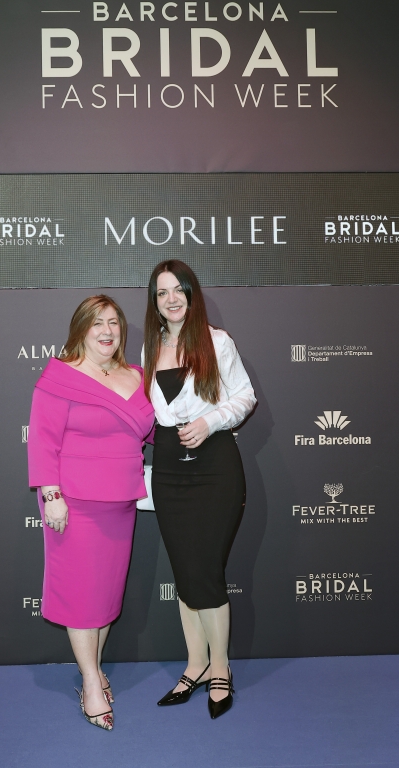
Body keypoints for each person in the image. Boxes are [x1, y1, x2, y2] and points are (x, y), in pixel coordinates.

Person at [28, 295, 154, 731]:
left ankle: (95, 669)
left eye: (114, 323)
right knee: (82, 595)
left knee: (104, 594)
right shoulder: (60, 377)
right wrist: (51, 495)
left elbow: (156, 429)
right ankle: (90, 682)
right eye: (97, 322)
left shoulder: (137, 376)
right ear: (81, 328)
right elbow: (42, 440)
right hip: (74, 503)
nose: (107, 331)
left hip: (120, 502)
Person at [143, 260, 256, 720]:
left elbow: (245, 396)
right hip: (169, 470)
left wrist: (210, 421)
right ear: (154, 302)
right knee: (185, 571)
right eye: (162, 292)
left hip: (215, 467)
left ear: (191, 294)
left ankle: (220, 667)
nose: (171, 299)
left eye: (178, 290)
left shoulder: (217, 341)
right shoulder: (151, 346)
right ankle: (195, 665)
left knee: (205, 569)